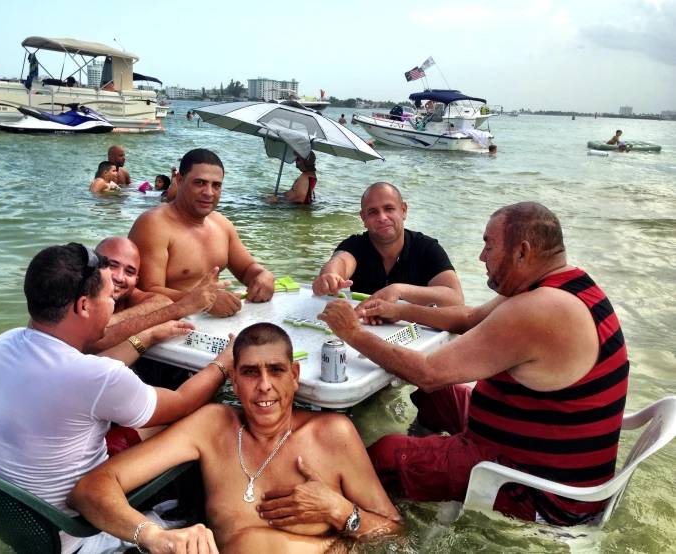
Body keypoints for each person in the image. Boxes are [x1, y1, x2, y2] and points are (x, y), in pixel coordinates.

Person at [318, 202, 629, 526]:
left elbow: (429, 373)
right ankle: (428, 469)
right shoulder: (563, 285)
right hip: (536, 440)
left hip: (543, 491)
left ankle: (381, 518)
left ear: (522, 252)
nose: (481, 257)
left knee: (385, 453)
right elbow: (468, 317)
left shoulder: (537, 309)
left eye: (488, 245)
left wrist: (352, 333)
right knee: (435, 398)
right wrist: (399, 310)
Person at [0, 243, 235, 554]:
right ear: (82, 306)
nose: (112, 303)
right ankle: (192, 509)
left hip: (19, 521)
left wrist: (144, 337)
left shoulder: (2, 343)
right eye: (108, 297)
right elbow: (184, 401)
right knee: (196, 419)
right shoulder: (94, 377)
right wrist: (224, 363)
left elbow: (88, 380)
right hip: (76, 534)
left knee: (152, 423)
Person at [68, 323, 403, 554]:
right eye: (250, 372)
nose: (264, 386)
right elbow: (90, 489)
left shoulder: (332, 434)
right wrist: (155, 537)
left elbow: (395, 531)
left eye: (276, 370)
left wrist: (339, 509)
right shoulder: (213, 427)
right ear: (234, 383)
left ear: (294, 376)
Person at [129, 148, 275, 318]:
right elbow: (144, 293)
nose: (208, 193)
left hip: (213, 323)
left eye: (216, 185)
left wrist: (264, 275)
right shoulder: (153, 225)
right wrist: (202, 301)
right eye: (199, 183)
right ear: (180, 180)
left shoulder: (222, 224)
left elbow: (247, 269)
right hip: (171, 325)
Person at [312, 182, 463, 308]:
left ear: (403, 211)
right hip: (365, 327)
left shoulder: (426, 248)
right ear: (363, 218)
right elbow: (341, 261)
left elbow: (455, 299)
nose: (382, 217)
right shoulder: (356, 245)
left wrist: (399, 291)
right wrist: (330, 277)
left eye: (389, 209)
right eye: (372, 212)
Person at [85, 237, 229, 354]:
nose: (120, 277)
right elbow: (93, 341)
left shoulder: (129, 293)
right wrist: (182, 307)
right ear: (92, 265)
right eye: (112, 265)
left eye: (129, 272)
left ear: (136, 281)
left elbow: (162, 303)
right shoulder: (71, 292)